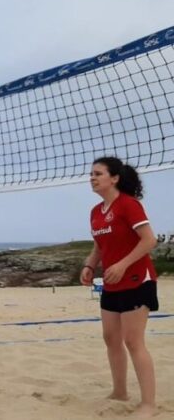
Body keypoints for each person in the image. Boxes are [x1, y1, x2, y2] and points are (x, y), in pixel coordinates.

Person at [80, 156, 159, 417]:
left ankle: (148, 404)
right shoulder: (95, 212)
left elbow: (149, 240)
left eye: (98, 173)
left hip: (137, 279)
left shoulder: (128, 205)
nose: (92, 177)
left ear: (114, 178)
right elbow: (99, 246)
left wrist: (123, 264)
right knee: (111, 339)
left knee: (133, 341)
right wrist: (90, 266)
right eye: (91, 173)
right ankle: (120, 392)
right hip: (113, 283)